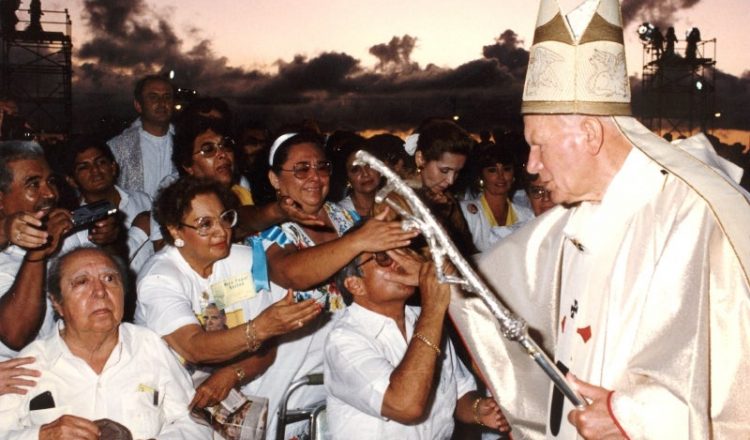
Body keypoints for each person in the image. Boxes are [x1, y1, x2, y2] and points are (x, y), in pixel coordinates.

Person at [449, 0, 750, 438]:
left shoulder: (690, 215)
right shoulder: (577, 213)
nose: (530, 165)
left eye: (539, 145)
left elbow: (726, 363)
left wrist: (633, 419)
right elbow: (500, 278)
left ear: (589, 135)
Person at [258, 131, 418, 437]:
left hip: (358, 364)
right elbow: (292, 272)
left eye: (322, 167)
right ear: (275, 179)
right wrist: (357, 241)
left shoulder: (344, 217)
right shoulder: (272, 229)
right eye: (301, 169)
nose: (315, 177)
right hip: (297, 374)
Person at [134, 177, 321, 414]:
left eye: (225, 218)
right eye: (205, 224)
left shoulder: (246, 262)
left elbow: (267, 346)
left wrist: (234, 373)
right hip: (162, 391)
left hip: (228, 386)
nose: (221, 231)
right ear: (174, 230)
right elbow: (193, 347)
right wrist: (260, 328)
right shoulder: (159, 278)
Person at [0, 246, 211, 439]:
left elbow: (194, 421)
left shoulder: (149, 346)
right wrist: (42, 435)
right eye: (81, 282)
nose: (100, 291)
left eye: (110, 279)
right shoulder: (30, 366)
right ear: (57, 302)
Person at [325, 242, 509, 438]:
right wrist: (433, 308)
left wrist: (477, 409)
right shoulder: (344, 340)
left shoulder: (423, 318)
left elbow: (459, 394)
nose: (400, 264)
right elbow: (406, 407)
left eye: (402, 253)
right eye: (383, 258)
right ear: (356, 285)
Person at [0, 141, 118, 361]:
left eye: (50, 181)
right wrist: (38, 251)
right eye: (33, 184)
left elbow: (115, 292)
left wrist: (109, 238)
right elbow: (16, 335)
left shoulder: (68, 234)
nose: (50, 193)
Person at [62, 135, 154, 273]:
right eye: (84, 167)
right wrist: (138, 233)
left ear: (113, 167)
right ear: (71, 180)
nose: (95, 170)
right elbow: (101, 272)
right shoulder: (74, 221)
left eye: (101, 162)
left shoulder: (142, 200)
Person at [408, 118, 477, 256]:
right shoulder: (394, 201)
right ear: (420, 159)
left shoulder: (448, 199)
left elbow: (466, 252)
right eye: (444, 171)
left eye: (457, 172)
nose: (451, 180)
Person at [108, 74, 176, 199]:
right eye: (153, 97)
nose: (162, 103)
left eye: (167, 97)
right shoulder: (117, 147)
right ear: (138, 105)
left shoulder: (185, 143)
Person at [460, 144, 534, 251]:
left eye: (506, 169)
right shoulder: (466, 212)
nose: (501, 176)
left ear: (514, 175)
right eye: (492, 170)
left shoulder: (527, 215)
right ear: (481, 175)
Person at [331, 135, 382, 218]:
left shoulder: (397, 204)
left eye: (369, 165)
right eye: (355, 169)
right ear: (347, 177)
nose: (365, 173)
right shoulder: (339, 214)